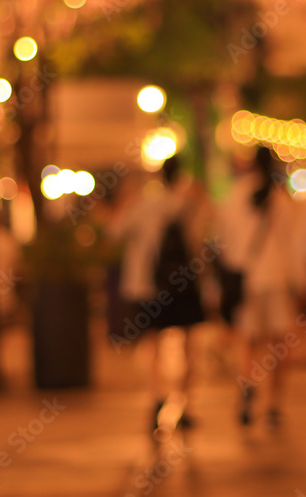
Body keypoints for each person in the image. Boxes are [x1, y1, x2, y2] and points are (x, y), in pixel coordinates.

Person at [109, 156, 207, 433]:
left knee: (152, 345)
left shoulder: (144, 203)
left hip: (147, 285)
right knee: (190, 346)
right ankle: (186, 404)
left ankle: (157, 396)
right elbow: (206, 238)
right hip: (185, 284)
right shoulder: (191, 202)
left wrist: (124, 204)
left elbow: (114, 233)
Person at [221, 146, 306, 427]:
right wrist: (302, 282)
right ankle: (274, 404)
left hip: (248, 279)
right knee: (279, 344)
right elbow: (292, 246)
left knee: (248, 340)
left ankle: (247, 385)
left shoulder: (236, 195)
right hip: (277, 278)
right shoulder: (281, 200)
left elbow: (227, 241)